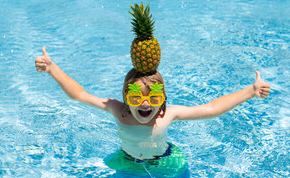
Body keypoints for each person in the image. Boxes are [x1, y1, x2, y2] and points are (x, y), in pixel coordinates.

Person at [35, 46, 271, 176]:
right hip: (128, 162)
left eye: (154, 97)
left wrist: (251, 91)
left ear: (163, 99)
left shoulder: (168, 115)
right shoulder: (119, 111)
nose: (145, 104)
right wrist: (52, 69)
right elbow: (80, 94)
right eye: (137, 97)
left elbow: (212, 109)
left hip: (166, 161)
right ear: (127, 97)